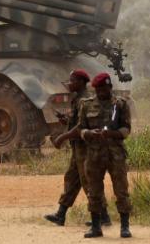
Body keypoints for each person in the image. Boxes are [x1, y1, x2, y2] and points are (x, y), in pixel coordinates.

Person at [44, 70, 110, 227]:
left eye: (72, 80)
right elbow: (79, 123)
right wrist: (66, 121)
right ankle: (61, 214)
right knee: (72, 179)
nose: (69, 83)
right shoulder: (78, 99)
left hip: (85, 147)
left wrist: (62, 137)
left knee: (89, 181)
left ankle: (104, 216)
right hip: (78, 148)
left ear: (81, 82)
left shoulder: (84, 100)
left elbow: (81, 127)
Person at [79, 72, 132, 238]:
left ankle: (125, 227)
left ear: (110, 87)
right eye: (98, 88)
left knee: (121, 190)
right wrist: (89, 133)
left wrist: (112, 134)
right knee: (94, 191)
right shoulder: (86, 105)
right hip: (94, 155)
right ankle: (96, 227)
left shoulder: (120, 105)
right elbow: (81, 129)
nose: (101, 91)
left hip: (115, 155)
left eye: (103, 87)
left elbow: (126, 130)